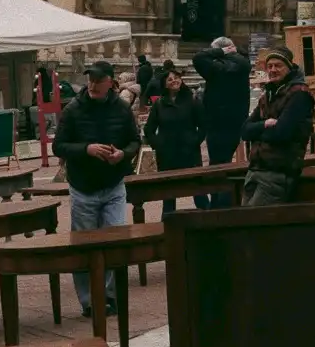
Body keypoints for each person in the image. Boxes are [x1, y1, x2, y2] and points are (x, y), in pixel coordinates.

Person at [52, 60, 141, 316]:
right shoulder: (73, 109)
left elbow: (135, 141)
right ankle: (90, 301)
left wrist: (123, 154)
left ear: (110, 82)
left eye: (98, 80)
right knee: (84, 245)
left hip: (113, 185)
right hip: (83, 187)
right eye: (90, 79)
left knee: (115, 242)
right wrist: (86, 149)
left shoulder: (122, 108)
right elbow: (59, 146)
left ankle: (110, 296)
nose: (92, 84)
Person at [240, 44, 315, 204]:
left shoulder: (299, 95)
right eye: (270, 66)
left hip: (278, 172)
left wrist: (258, 132)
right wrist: (265, 124)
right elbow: (245, 131)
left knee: (256, 218)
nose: (273, 70)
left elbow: (282, 133)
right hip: (255, 169)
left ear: (289, 67)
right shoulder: (266, 95)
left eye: (278, 66)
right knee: (242, 216)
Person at [192, 36, 251, 205]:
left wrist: (219, 52)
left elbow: (198, 57)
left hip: (216, 121)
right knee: (224, 161)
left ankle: (219, 204)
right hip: (236, 121)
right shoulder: (243, 64)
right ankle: (223, 202)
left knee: (217, 164)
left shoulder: (217, 67)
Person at [143, 67, 207, 215]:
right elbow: (149, 129)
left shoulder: (193, 100)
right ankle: (168, 224)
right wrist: (158, 144)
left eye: (176, 78)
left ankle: (207, 221)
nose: (174, 81)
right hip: (167, 156)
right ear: (164, 84)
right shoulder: (159, 104)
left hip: (190, 153)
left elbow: (203, 125)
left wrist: (195, 141)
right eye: (170, 79)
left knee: (199, 193)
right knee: (169, 198)